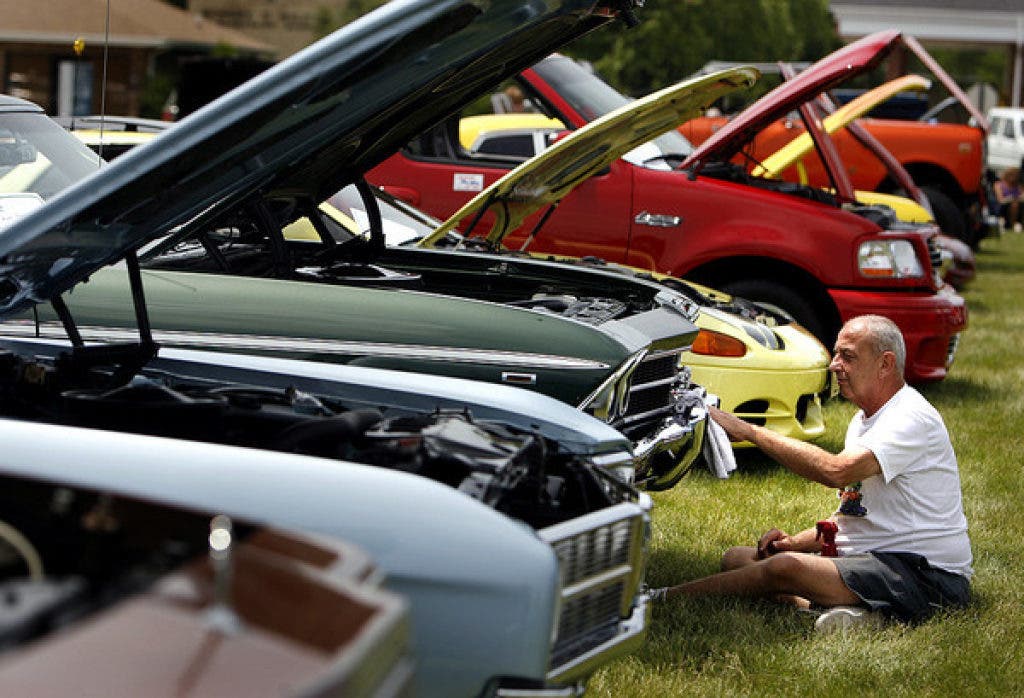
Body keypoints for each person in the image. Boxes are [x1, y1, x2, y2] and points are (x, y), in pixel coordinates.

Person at [650, 315, 972, 632]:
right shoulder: (863, 421)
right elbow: (854, 511)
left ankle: (661, 597)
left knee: (785, 567)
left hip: (927, 576)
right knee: (737, 559)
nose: (834, 365)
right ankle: (857, 612)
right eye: (836, 354)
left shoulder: (910, 417)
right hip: (875, 562)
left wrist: (750, 432)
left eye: (847, 356)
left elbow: (837, 471)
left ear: (885, 363)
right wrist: (791, 543)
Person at [994, 167, 1024, 232]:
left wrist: (1018, 198)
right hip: (1002, 206)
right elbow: (1000, 200)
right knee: (1014, 205)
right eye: (1012, 175)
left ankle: (1015, 224)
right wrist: (1012, 198)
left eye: (1016, 175)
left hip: (1017, 206)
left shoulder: (1019, 186)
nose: (1014, 177)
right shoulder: (998, 185)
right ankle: (1012, 224)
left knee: (1015, 204)